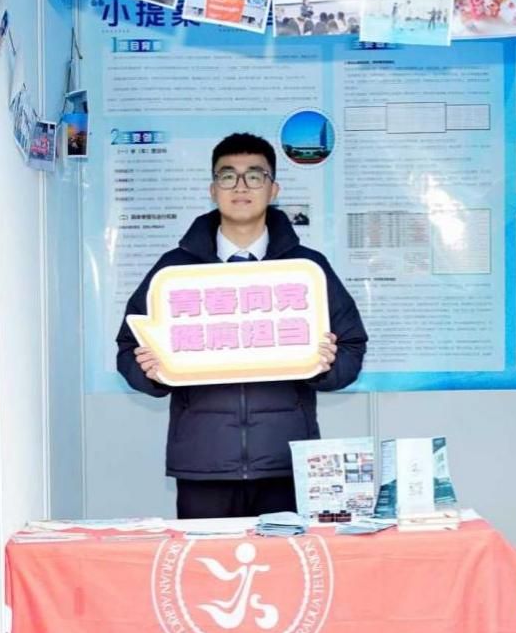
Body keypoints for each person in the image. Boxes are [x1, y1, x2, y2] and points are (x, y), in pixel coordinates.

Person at [116, 132, 368, 519]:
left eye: (254, 175)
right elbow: (129, 346)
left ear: (273, 189)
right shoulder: (175, 270)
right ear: (212, 189)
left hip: (285, 461)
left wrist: (324, 366)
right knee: (207, 560)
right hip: (204, 463)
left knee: (286, 559)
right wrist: (152, 373)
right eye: (227, 175)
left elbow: (351, 345)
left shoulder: (306, 269)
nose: (241, 186)